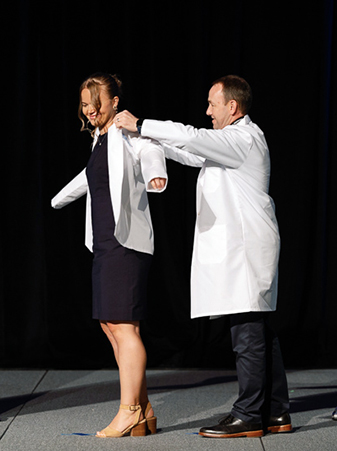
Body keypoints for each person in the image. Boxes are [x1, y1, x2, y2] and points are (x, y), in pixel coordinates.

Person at [115, 75, 290, 438]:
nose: (207, 111)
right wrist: (146, 140)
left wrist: (142, 124)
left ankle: (249, 416)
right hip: (243, 248)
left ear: (233, 107)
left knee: (247, 333)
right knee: (255, 330)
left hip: (246, 249)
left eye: (212, 104)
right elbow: (190, 152)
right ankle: (275, 412)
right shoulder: (232, 141)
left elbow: (192, 137)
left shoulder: (242, 138)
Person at [51, 73, 167, 438]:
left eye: (95, 103)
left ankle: (129, 410)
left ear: (114, 101)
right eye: (85, 105)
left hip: (125, 244)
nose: (90, 111)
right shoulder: (99, 139)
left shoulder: (125, 129)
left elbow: (151, 149)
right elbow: (90, 178)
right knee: (109, 324)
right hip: (104, 243)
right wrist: (58, 198)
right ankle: (143, 409)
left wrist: (155, 174)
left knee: (123, 325)